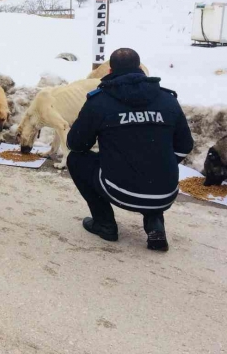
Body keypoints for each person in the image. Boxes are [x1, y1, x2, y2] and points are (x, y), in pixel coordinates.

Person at [66, 48, 194, 251]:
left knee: (75, 159)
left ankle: (105, 223)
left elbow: (76, 145)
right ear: (140, 69)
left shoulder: (99, 102)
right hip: (164, 193)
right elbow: (185, 146)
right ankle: (155, 224)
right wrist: (156, 163)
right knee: (153, 162)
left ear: (109, 71)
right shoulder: (168, 100)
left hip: (119, 190)